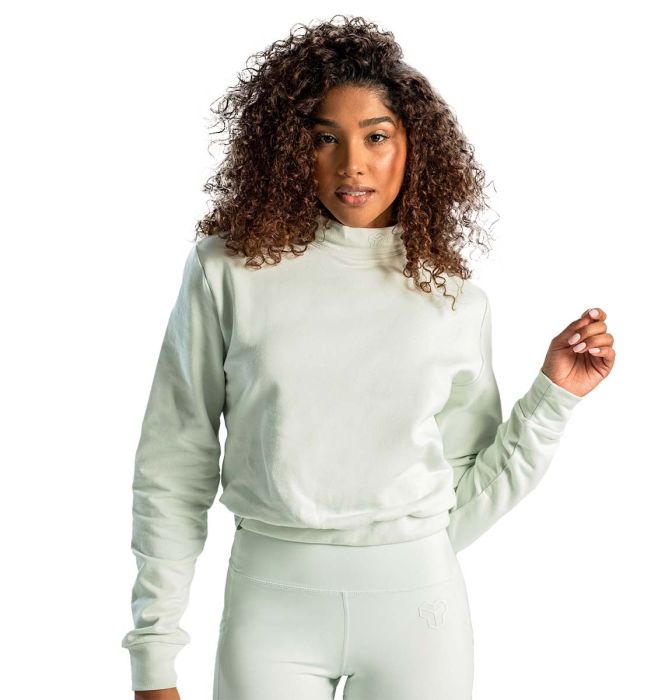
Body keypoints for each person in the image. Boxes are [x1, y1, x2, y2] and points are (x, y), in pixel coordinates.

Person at [121, 15, 615, 700]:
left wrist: (554, 397)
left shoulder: (453, 300)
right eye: (325, 138)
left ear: (415, 145)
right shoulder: (227, 270)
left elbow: (463, 500)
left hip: (419, 615)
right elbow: (174, 459)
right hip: (271, 610)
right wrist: (154, 652)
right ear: (292, 148)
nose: (352, 164)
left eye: (376, 137)